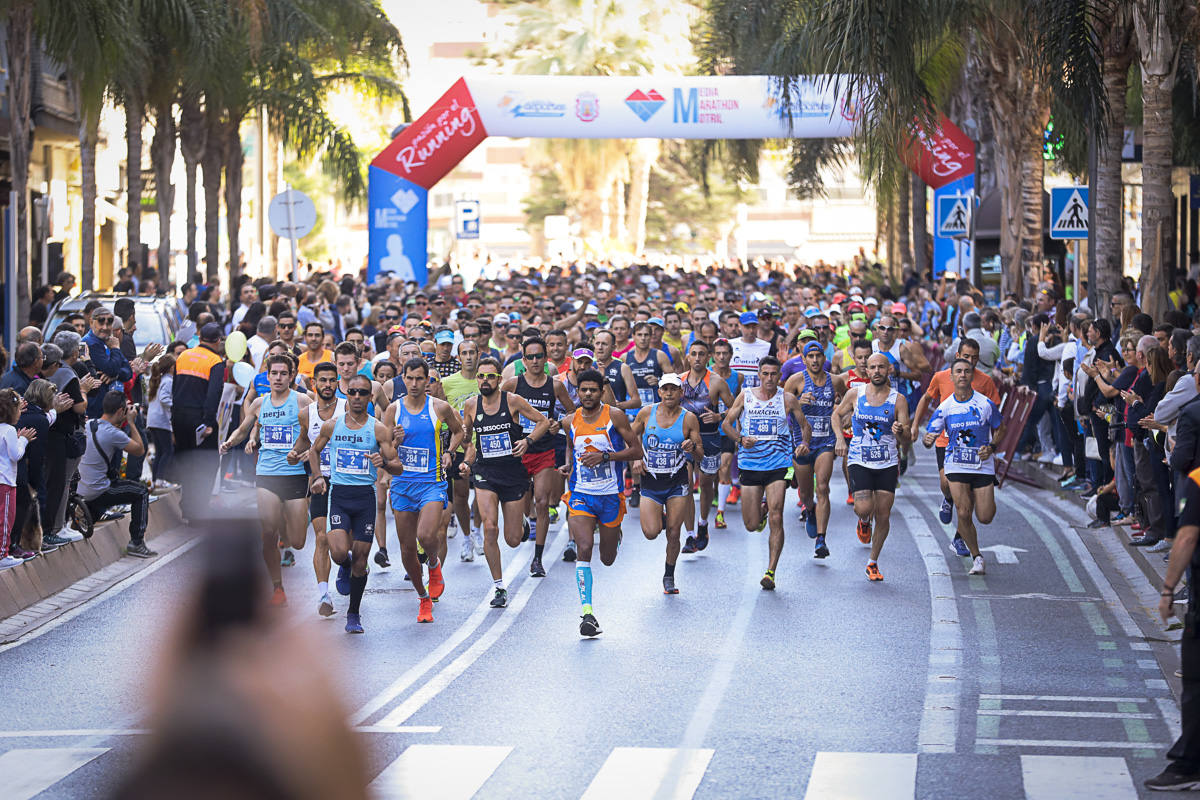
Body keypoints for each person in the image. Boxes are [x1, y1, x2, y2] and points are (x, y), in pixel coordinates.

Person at [305, 374, 401, 634]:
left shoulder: (378, 428)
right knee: (337, 552)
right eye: (353, 392)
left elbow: (398, 466)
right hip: (339, 497)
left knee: (361, 560)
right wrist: (316, 477)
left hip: (364, 500)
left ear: (370, 397)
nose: (357, 397)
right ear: (346, 395)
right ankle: (344, 566)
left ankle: (353, 613)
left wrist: (385, 463)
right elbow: (314, 451)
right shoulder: (332, 425)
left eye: (363, 393)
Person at [220, 354, 313, 607]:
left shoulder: (303, 401)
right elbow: (243, 429)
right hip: (267, 473)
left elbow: (318, 432)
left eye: (284, 374)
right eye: (274, 374)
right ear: (267, 376)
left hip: (294, 476)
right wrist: (230, 442)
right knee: (268, 533)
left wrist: (305, 452)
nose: (279, 378)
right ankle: (277, 587)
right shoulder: (260, 403)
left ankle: (295, 518)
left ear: (291, 376)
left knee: (298, 541)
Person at [462, 357, 549, 608]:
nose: (485, 381)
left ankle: (521, 522)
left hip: (512, 474)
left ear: (499, 380)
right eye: (481, 376)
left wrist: (527, 441)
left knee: (512, 539)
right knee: (490, 527)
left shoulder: (512, 401)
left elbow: (543, 421)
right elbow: (469, 441)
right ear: (476, 379)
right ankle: (499, 586)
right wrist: (467, 462)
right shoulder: (470, 405)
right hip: (485, 473)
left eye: (490, 376)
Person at [563, 369, 642, 636]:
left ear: (601, 391)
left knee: (607, 559)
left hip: (610, 495)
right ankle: (587, 614)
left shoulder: (614, 416)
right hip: (581, 494)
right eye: (583, 390)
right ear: (577, 392)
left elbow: (636, 450)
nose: (587, 394)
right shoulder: (570, 420)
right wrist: (567, 464)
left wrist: (606, 457)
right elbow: (570, 447)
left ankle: (615, 534)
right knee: (584, 546)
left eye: (592, 390)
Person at [721, 356, 811, 589]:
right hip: (750, 465)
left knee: (777, 514)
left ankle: (770, 571)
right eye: (766, 374)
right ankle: (761, 510)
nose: (770, 378)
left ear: (779, 375)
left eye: (774, 374)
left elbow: (804, 427)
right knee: (751, 525)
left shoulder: (788, 399)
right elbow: (726, 424)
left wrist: (804, 444)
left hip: (779, 465)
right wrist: (740, 439)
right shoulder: (746, 396)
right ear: (759, 375)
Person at [386, 357, 464, 624]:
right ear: (403, 379)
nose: (415, 383)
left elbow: (459, 431)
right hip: (402, 485)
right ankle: (423, 598)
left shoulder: (439, 407)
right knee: (407, 549)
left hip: (432, 482)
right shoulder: (393, 410)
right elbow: (385, 449)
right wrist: (393, 442)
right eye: (410, 378)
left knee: (426, 534)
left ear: (428, 381)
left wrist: (450, 453)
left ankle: (433, 563)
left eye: (421, 379)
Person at [909, 337, 1000, 554]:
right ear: (957, 356)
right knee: (946, 484)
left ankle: (960, 537)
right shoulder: (942, 376)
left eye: (975, 359)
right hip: (946, 441)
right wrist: (915, 426)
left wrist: (993, 444)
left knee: (968, 502)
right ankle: (948, 498)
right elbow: (926, 398)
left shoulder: (985, 381)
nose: (970, 362)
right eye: (966, 357)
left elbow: (995, 413)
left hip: (974, 447)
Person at [831, 353, 911, 582]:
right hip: (859, 459)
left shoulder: (898, 400)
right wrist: (839, 439)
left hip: (887, 462)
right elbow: (836, 416)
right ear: (867, 371)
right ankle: (864, 521)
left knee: (883, 514)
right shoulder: (855, 394)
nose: (876, 371)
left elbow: (908, 437)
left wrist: (900, 432)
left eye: (881, 367)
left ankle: (872, 562)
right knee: (864, 508)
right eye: (872, 367)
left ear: (888, 371)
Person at [922, 358, 1005, 575]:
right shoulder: (945, 407)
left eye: (967, 371)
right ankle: (977, 557)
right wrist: (928, 440)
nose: (962, 375)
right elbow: (929, 434)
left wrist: (992, 446)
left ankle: (977, 498)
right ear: (951, 376)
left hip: (982, 465)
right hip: (955, 464)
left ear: (972, 375)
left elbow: (1000, 427)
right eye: (958, 371)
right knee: (964, 512)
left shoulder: (985, 404)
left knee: (985, 516)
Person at [503, 337, 575, 577]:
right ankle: (526, 519)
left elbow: (572, 413)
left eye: (539, 356)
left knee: (542, 502)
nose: (534, 361)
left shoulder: (554, 386)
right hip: (518, 452)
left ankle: (537, 558)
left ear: (546, 359)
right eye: (530, 357)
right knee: (524, 500)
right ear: (523, 361)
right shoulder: (513, 384)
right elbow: (494, 407)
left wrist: (557, 424)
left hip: (544, 450)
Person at [1151, 468, 1200, 791]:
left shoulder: (1197, 479)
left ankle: (1189, 764)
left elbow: (1187, 536)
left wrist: (1168, 590)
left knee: (1196, 684)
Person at [630, 373, 702, 594]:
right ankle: (660, 516)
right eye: (665, 389)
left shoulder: (688, 418)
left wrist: (692, 448)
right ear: (659, 391)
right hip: (651, 481)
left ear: (681, 393)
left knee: (673, 532)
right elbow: (629, 438)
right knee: (651, 532)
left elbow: (700, 453)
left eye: (674, 389)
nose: (669, 393)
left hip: (676, 481)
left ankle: (669, 575)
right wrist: (635, 458)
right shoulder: (646, 413)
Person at [290, 362, 344, 617]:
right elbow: (303, 440)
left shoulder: (348, 409)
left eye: (332, 380)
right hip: (319, 480)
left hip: (348, 481)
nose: (327, 385)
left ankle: (344, 563)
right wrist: (294, 452)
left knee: (343, 543)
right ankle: (324, 594)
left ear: (338, 382)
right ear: (314, 384)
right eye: (322, 380)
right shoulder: (307, 414)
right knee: (321, 537)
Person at [784, 340, 846, 559]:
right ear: (804, 359)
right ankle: (809, 509)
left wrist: (841, 422)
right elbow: (782, 409)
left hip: (825, 442)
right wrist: (799, 401)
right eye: (810, 356)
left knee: (823, 487)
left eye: (818, 356)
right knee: (807, 493)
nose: (815, 360)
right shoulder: (795, 380)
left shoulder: (836, 381)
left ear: (824, 358)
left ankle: (821, 539)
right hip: (802, 444)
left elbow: (846, 405)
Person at [78, 392, 157, 558]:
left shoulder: (89, 423)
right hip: (98, 491)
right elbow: (140, 450)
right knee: (141, 491)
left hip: (81, 489)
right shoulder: (113, 433)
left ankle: (86, 519)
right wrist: (131, 423)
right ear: (121, 411)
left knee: (111, 483)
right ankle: (137, 543)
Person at [172, 323, 226, 522]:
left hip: (180, 418)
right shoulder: (216, 361)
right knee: (206, 465)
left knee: (187, 464)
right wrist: (209, 422)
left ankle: (187, 507)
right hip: (200, 419)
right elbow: (214, 394)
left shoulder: (184, 356)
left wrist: (173, 420)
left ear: (199, 336)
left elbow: (174, 389)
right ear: (218, 340)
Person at [440, 340, 482, 562]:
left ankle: (478, 529)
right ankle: (468, 537)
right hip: (459, 446)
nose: (468, 357)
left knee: (483, 494)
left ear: (478, 354)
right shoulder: (447, 383)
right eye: (464, 353)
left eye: (471, 353)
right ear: (458, 357)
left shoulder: (485, 381)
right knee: (461, 495)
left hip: (482, 445)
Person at [679, 340, 722, 552]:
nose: (697, 358)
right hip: (685, 439)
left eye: (702, 354)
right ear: (688, 357)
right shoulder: (678, 382)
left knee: (705, 484)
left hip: (709, 437)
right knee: (686, 483)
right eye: (693, 354)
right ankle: (688, 535)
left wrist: (719, 415)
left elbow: (735, 408)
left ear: (708, 357)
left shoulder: (716, 382)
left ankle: (703, 524)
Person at [708, 337, 743, 528]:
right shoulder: (706, 375)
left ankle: (720, 514)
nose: (722, 357)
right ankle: (713, 494)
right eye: (718, 354)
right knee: (710, 471)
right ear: (713, 356)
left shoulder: (737, 377)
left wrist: (725, 419)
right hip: (707, 432)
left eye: (725, 353)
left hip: (726, 429)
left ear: (731, 356)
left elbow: (736, 406)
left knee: (724, 467)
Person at [0, 390, 33, 567]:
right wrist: (24, 440)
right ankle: (2, 554)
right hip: (6, 482)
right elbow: (15, 455)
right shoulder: (10, 430)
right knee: (6, 519)